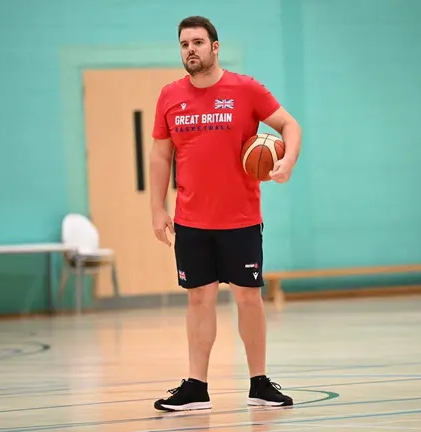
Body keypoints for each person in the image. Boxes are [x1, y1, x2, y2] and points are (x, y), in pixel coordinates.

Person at [148, 16, 302, 411]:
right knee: (198, 299)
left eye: (198, 42)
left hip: (241, 218)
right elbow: (161, 154)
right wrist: (156, 209)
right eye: (184, 44)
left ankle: (260, 382)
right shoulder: (169, 96)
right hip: (191, 219)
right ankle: (196, 387)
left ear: (215, 47)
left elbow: (289, 125)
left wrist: (287, 163)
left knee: (249, 298)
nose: (190, 50)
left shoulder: (245, 89)